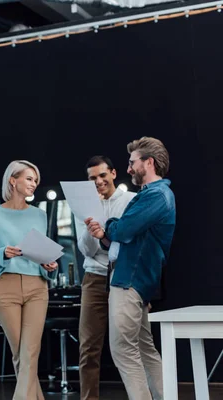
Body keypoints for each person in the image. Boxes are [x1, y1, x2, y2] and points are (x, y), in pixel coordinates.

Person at [87, 137, 175, 400]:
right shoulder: (153, 195)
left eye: (132, 163)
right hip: (135, 280)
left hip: (130, 281)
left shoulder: (157, 195)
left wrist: (109, 228)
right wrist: (107, 233)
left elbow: (123, 230)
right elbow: (123, 234)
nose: (128, 169)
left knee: (123, 349)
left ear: (149, 163)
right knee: (144, 349)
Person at [0, 160, 58, 400]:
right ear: (13, 180)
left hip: (37, 286)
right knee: (20, 354)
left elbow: (44, 252)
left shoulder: (39, 215)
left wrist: (50, 265)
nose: (34, 184)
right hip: (6, 287)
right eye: (29, 179)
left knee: (30, 352)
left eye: (36, 180)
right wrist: (2, 253)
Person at [75, 156, 135, 400]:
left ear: (113, 173)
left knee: (132, 343)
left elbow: (129, 241)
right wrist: (94, 215)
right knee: (88, 347)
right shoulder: (85, 207)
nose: (98, 181)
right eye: (92, 178)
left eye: (102, 175)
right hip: (95, 278)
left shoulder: (131, 201)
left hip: (125, 277)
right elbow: (87, 250)